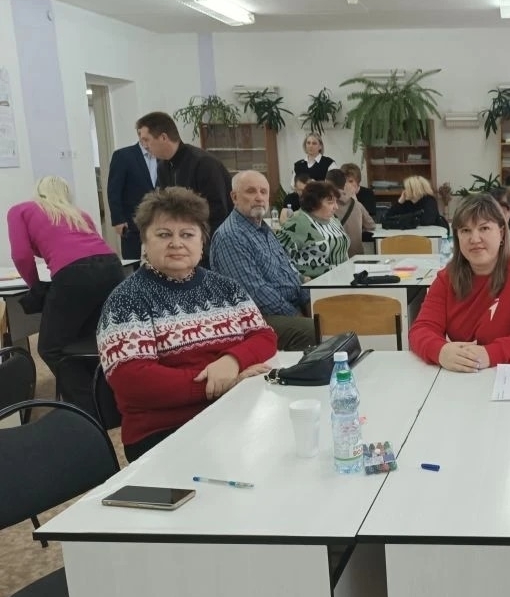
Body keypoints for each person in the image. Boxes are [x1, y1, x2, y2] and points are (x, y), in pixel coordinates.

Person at [97, 187, 277, 461]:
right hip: (165, 433)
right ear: (144, 241)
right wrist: (218, 384)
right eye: (164, 234)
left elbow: (264, 336)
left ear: (202, 241)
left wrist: (231, 361)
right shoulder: (126, 300)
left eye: (187, 234)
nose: (176, 243)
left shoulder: (225, 288)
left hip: (232, 412)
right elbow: (132, 380)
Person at [7, 176, 126, 413]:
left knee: (50, 348)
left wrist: (35, 286)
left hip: (74, 276)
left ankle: (86, 411)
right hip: (112, 269)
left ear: (38, 191)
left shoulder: (20, 210)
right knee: (92, 341)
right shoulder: (78, 214)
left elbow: (20, 255)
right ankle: (108, 405)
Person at [409, 193, 510, 371]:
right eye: (465, 231)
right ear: (457, 237)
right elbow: (421, 329)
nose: (474, 239)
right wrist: (440, 351)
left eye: (484, 228)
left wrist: (491, 354)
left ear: (501, 233)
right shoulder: (447, 277)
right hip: (464, 376)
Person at [210, 171, 316, 350]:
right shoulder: (230, 236)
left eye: (263, 192)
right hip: (256, 319)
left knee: (339, 314)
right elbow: (256, 293)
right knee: (319, 330)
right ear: (234, 197)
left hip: (289, 307)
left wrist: (310, 301)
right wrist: (298, 315)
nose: (259, 197)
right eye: (251, 191)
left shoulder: (264, 229)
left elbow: (290, 271)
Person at [136, 111, 232, 240]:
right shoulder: (162, 167)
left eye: (146, 140)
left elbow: (219, 211)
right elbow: (164, 204)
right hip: (183, 237)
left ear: (163, 137)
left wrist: (200, 243)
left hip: (212, 239)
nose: (144, 146)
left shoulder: (204, 163)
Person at [276, 180, 350, 280]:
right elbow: (278, 257)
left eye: (336, 202)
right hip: (315, 284)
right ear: (314, 203)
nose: (336, 207)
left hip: (342, 280)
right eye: (330, 202)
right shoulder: (297, 222)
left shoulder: (334, 220)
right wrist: (300, 278)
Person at [106, 136, 157, 259]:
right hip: (132, 221)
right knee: (133, 259)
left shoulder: (163, 156)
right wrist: (118, 219)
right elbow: (114, 190)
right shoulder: (123, 156)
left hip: (159, 219)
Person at [326, 168, 375, 257]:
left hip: (336, 256)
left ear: (327, 183)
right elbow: (371, 225)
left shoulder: (325, 205)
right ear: (344, 184)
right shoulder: (357, 204)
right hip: (357, 256)